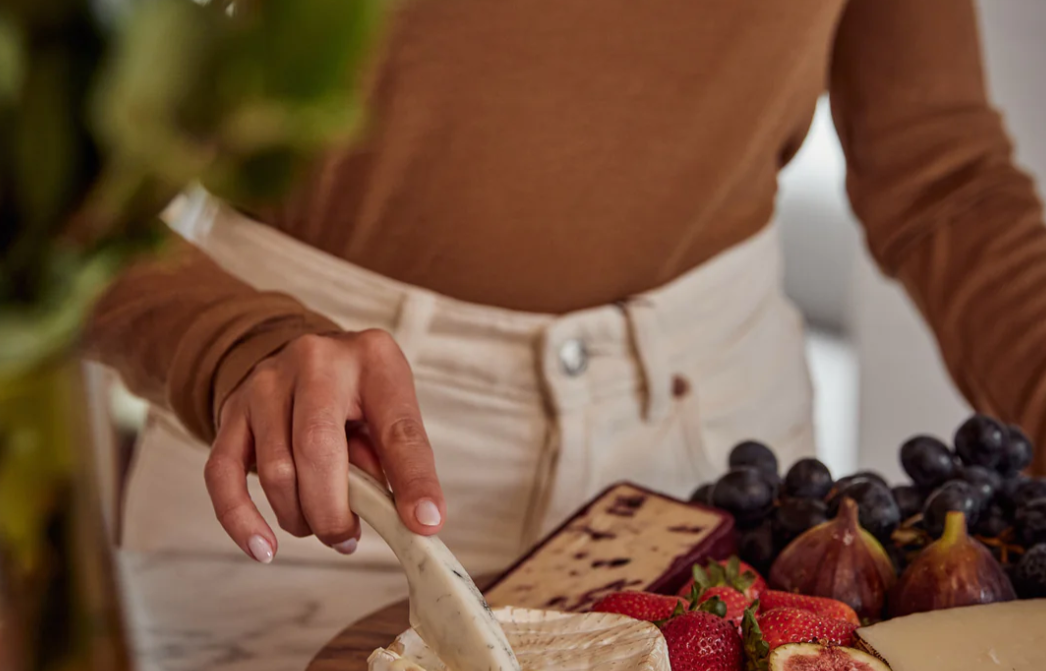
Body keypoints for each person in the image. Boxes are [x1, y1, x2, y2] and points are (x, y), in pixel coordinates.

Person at [88, 0, 1046, 588]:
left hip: (715, 469)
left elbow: (943, 175)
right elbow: (33, 145)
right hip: (316, 458)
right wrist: (222, 339)